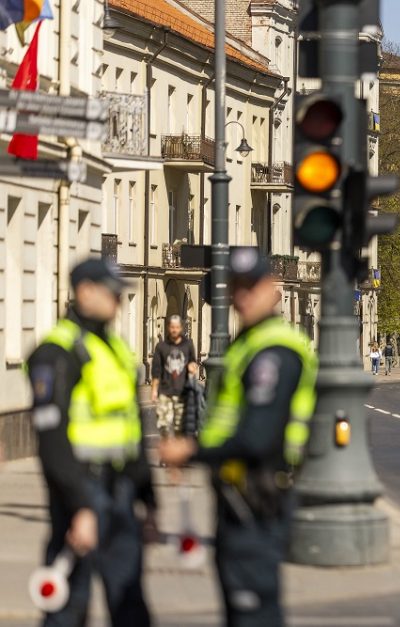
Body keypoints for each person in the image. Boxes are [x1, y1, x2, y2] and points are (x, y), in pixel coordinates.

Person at [159, 249, 317, 627]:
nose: (242, 297)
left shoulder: (273, 350)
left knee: (253, 613)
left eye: (251, 287)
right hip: (236, 496)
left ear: (272, 289)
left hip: (259, 496)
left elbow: (258, 436)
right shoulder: (247, 344)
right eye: (236, 288)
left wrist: (191, 450)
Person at [26, 258, 157, 626]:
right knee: (69, 604)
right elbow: (51, 440)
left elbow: (132, 428)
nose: (117, 302)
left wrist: (148, 499)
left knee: (130, 603)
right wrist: (79, 506)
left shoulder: (113, 348)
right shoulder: (57, 353)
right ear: (85, 292)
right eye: (111, 294)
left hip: (121, 491)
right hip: (80, 489)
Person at [151, 314, 198, 438]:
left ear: (181, 328)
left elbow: (193, 361)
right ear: (168, 327)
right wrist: (154, 390)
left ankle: (177, 454)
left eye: (177, 327)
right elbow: (156, 369)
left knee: (180, 427)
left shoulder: (187, 345)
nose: (174, 330)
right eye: (172, 327)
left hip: (182, 391)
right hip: (164, 391)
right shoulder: (161, 346)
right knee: (163, 426)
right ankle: (166, 452)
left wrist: (192, 366)